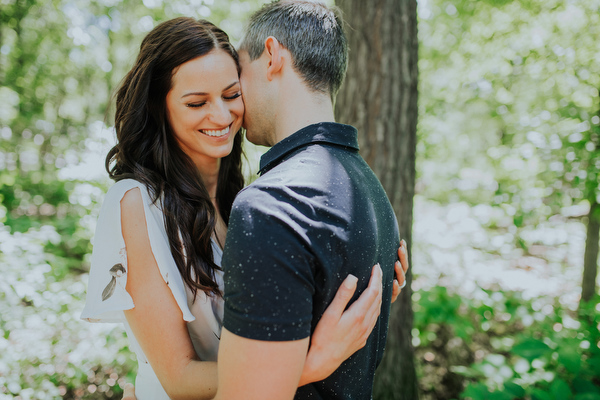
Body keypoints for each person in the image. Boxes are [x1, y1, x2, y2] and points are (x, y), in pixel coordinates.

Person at [80, 15, 409, 400]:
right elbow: (178, 376)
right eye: (197, 102)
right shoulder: (137, 204)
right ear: (160, 107)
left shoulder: (245, 198)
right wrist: (310, 363)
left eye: (231, 95)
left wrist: (353, 281)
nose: (221, 116)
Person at [213, 2, 402, 399]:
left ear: (272, 57)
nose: (235, 100)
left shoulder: (271, 205)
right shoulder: (373, 194)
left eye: (239, 73)